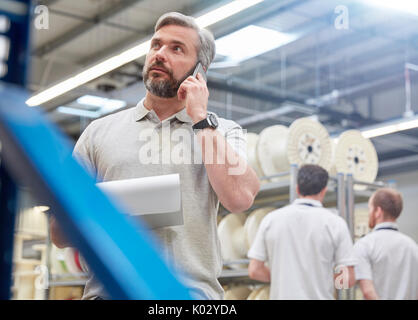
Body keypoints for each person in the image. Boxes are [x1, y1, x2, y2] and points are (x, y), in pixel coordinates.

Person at [49, 12, 260, 300]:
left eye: (176, 49)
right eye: (156, 45)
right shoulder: (98, 132)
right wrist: (118, 204)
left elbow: (240, 198)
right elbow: (59, 234)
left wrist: (200, 119)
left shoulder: (222, 131)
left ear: (200, 70)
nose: (160, 54)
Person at [247, 164, 356, 299]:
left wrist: (283, 279)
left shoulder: (270, 220)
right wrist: (322, 280)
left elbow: (254, 270)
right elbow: (348, 278)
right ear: (324, 190)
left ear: (297, 188)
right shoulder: (336, 223)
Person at [353, 188, 418, 300]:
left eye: (370, 208)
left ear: (378, 211)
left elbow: (368, 292)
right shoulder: (412, 247)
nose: (369, 213)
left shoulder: (365, 245)